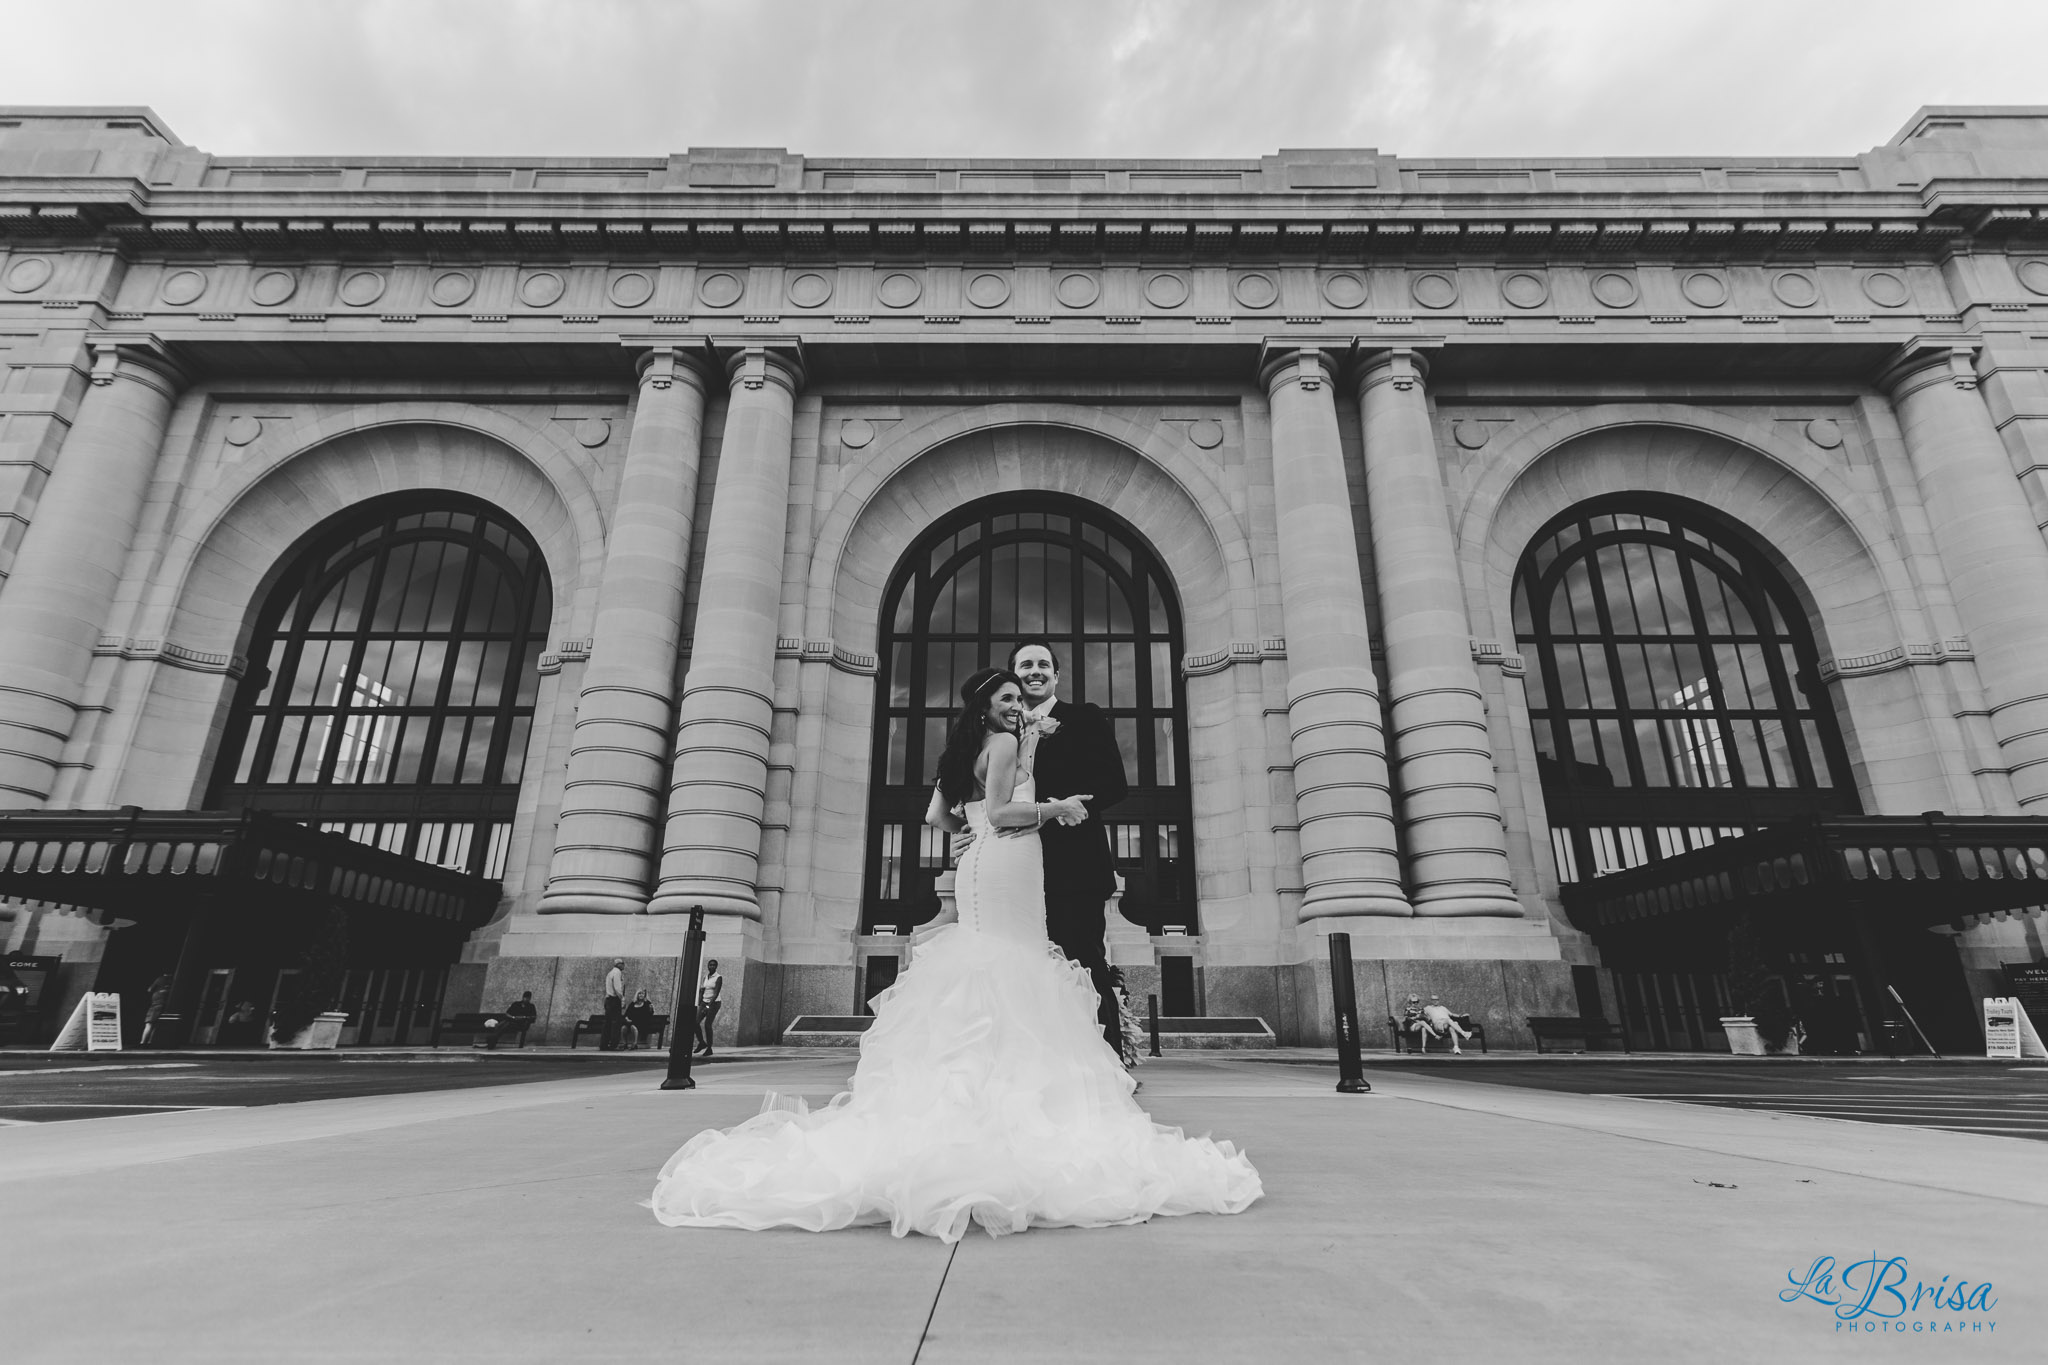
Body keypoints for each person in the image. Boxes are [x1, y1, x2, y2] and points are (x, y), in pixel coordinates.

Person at [649, 666, 1261, 1242]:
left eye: (1020, 698)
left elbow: (938, 814)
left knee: (996, 962)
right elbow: (1002, 811)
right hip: (1008, 861)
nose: (1018, 704)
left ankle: (978, 1094)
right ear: (986, 706)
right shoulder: (1001, 743)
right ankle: (1008, 1104)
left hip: (984, 863)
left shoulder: (971, 749)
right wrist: (1059, 807)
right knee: (1013, 963)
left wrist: (972, 830)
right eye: (1007, 698)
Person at [934, 641, 1128, 1054]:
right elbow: (975, 803)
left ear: (1056, 675)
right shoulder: (998, 735)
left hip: (1072, 867)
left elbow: (1114, 784)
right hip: (1013, 870)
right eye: (1025, 665)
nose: (1035, 670)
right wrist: (968, 831)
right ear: (1013, 677)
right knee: (1019, 963)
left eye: (1043, 664)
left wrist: (1054, 810)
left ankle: (1107, 1062)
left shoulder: (1085, 717)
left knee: (1081, 962)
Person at [694, 962, 723, 1056]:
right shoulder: (705, 977)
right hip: (704, 1001)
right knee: (695, 1023)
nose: (712, 966)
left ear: (716, 966)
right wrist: (699, 1003)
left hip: (714, 1003)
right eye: (710, 965)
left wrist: (708, 1006)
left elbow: (716, 993)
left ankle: (709, 1048)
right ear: (708, 966)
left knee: (707, 1024)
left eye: (714, 965)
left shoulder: (718, 977)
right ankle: (702, 1042)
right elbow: (702, 990)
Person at [140, 973, 172, 1046]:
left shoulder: (161, 979)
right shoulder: (171, 981)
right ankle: (150, 1042)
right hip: (163, 1004)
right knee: (155, 1025)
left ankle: (142, 1043)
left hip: (156, 1004)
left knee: (149, 1024)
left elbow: (149, 989)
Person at [602, 958, 626, 1051]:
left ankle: (604, 1044)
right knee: (616, 1023)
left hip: (608, 1000)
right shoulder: (617, 973)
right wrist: (622, 999)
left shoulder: (610, 973)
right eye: (622, 964)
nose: (624, 965)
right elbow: (617, 988)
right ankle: (614, 1045)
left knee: (607, 1023)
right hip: (614, 1000)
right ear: (619, 964)